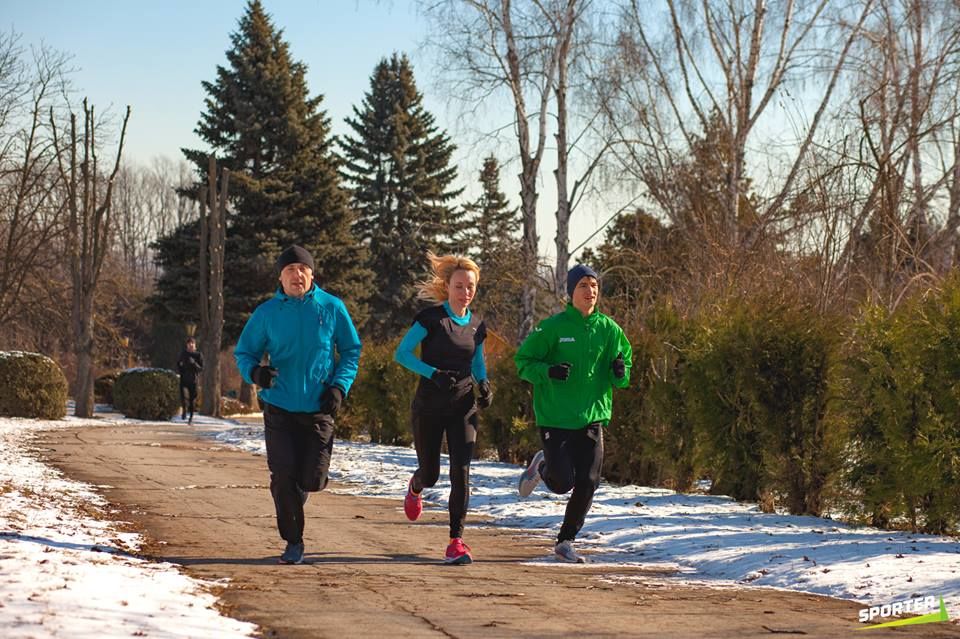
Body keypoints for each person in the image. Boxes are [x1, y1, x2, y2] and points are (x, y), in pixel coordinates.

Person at [234, 245, 362, 565]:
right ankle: (293, 541)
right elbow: (244, 353)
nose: (297, 274)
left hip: (319, 407)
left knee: (312, 480)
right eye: (290, 269)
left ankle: (297, 494)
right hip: (279, 405)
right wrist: (256, 373)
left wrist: (339, 387)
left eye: (302, 269)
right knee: (282, 476)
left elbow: (350, 351)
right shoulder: (267, 313)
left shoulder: (331, 307)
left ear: (312, 274)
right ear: (280, 276)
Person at [514, 264, 632, 563]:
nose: (590, 291)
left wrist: (620, 372)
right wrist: (548, 371)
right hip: (555, 416)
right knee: (562, 482)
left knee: (589, 481)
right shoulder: (553, 328)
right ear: (571, 292)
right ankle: (542, 467)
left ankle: (566, 540)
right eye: (583, 286)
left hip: (592, 416)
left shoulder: (609, 330)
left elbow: (624, 369)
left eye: (594, 286)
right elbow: (523, 361)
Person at [394, 251, 492, 565]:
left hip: (463, 406)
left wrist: (484, 384)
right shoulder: (431, 319)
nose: (466, 292)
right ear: (447, 287)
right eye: (460, 286)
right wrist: (433, 374)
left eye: (471, 286)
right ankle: (416, 484)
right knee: (433, 474)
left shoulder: (477, 325)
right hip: (429, 407)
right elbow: (403, 354)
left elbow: (477, 362)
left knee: (461, 472)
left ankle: (456, 542)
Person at [176, 337, 203, 423]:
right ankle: (184, 410)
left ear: (195, 345)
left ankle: (191, 417)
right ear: (187, 345)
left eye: (192, 343)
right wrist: (180, 367)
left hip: (193, 380)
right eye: (189, 343)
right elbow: (178, 363)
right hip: (184, 379)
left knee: (192, 400)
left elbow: (201, 369)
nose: (191, 345)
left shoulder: (198, 355)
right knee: (183, 396)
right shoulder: (183, 353)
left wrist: (194, 363)